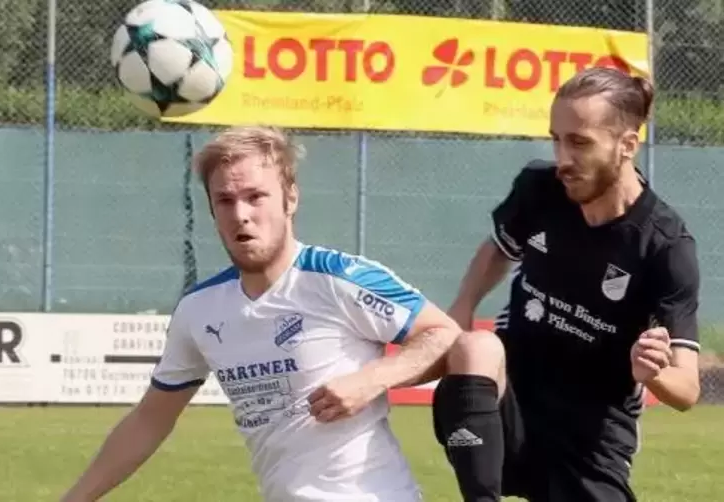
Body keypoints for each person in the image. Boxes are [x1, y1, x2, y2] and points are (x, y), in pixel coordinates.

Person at [60, 125, 468, 502]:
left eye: (256, 196)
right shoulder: (199, 310)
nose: (241, 215)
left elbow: (445, 334)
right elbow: (150, 420)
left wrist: (371, 380)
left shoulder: (338, 278)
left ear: (290, 197)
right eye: (225, 200)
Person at [431, 67, 702, 501]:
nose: (563, 158)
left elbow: (687, 390)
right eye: (556, 138)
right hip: (509, 405)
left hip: (590, 439)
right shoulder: (540, 189)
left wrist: (652, 374)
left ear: (627, 145)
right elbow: (499, 248)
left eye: (579, 142)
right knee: (475, 347)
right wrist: (463, 304)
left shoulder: (664, 245)